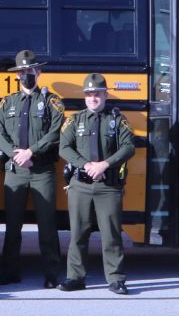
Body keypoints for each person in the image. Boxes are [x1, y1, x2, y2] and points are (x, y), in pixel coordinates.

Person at [0, 49, 66, 287]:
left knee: (47, 225)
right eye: (22, 72)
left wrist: (31, 152)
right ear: (16, 75)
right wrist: (17, 156)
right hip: (15, 171)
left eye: (31, 71)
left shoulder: (52, 102)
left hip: (41, 170)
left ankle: (52, 272)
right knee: (12, 224)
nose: (26, 75)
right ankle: (9, 270)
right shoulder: (7, 103)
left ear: (39, 72)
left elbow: (55, 132)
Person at [58, 73, 136, 295]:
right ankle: (75, 277)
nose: (93, 98)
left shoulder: (118, 120)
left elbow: (128, 147)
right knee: (78, 233)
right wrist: (86, 165)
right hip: (80, 186)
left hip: (108, 187)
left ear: (105, 95)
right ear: (85, 96)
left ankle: (116, 278)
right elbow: (64, 147)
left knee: (111, 234)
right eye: (90, 94)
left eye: (98, 94)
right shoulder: (75, 120)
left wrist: (104, 164)